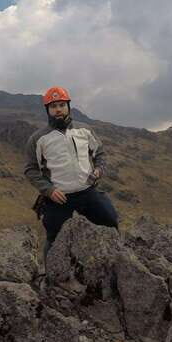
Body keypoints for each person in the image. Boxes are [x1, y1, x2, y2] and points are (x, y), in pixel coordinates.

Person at [24, 86, 119, 262]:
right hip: (59, 198)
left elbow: (100, 153)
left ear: (68, 106)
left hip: (88, 191)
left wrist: (99, 169)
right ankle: (51, 276)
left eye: (61, 104)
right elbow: (30, 169)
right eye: (53, 106)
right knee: (54, 237)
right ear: (48, 110)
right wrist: (48, 190)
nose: (58, 109)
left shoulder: (85, 130)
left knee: (110, 221)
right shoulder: (38, 139)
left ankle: (115, 263)